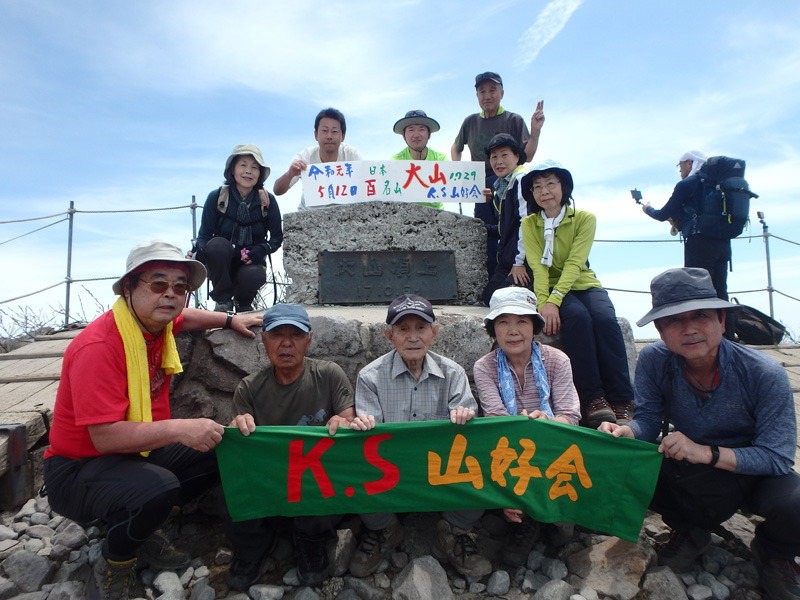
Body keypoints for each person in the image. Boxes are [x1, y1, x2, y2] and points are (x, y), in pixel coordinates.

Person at [42, 240, 263, 600]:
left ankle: (143, 521)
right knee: (158, 488)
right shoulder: (99, 347)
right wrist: (180, 428)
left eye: (181, 287)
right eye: (158, 284)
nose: (171, 295)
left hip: (135, 454)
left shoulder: (154, 324)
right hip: (78, 469)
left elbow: (185, 317)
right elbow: (105, 438)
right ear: (129, 287)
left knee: (222, 445)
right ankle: (117, 560)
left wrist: (228, 319)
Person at [599, 268, 800, 600]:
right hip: (692, 469)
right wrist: (626, 431)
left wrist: (707, 453)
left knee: (796, 503)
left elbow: (777, 456)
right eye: (674, 320)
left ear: (722, 320)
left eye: (700, 316)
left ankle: (774, 550)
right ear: (661, 330)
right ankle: (690, 529)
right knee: (623, 464)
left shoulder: (763, 374)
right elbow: (648, 420)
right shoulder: (655, 359)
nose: (689, 329)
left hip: (751, 472)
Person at [346, 294, 491, 578]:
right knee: (352, 467)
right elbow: (371, 434)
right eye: (403, 329)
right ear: (390, 336)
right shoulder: (370, 376)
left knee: (485, 468)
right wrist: (362, 424)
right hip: (391, 469)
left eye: (421, 328)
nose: (413, 337)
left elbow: (467, 418)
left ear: (434, 333)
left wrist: (464, 416)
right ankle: (385, 529)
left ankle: (451, 533)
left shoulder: (453, 373)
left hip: (441, 470)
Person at [226, 304, 355, 589]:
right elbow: (239, 445)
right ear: (264, 340)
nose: (286, 343)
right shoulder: (249, 388)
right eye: (276, 335)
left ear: (309, 339)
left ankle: (312, 540)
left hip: (317, 476)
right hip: (271, 476)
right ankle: (254, 546)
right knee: (228, 474)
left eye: (295, 335)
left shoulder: (330, 374)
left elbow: (349, 422)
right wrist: (237, 429)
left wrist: (343, 423)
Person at [519, 160, 634, 428]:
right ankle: (593, 398)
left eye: (550, 183)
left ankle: (623, 399)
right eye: (537, 186)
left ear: (564, 186)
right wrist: (545, 302)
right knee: (577, 319)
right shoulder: (530, 223)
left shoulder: (584, 218)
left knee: (605, 320)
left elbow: (574, 263)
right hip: (550, 287)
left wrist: (554, 301)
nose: (544, 191)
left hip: (583, 283)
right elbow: (537, 265)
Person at [474, 287, 581, 566]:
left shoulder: (557, 360)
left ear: (535, 327)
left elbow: (569, 415)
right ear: (493, 329)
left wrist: (546, 424)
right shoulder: (484, 367)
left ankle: (552, 514)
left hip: (552, 443)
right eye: (503, 322)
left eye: (522, 321)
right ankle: (524, 518)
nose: (513, 331)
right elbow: (496, 421)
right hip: (511, 450)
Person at [451, 72, 545, 279]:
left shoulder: (513, 119)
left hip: (510, 185)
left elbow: (527, 157)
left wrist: (535, 132)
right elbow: (455, 147)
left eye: (492, 90)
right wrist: (457, 174)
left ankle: (519, 273)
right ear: (476, 96)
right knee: (484, 234)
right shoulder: (470, 122)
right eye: (482, 91)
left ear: (502, 93)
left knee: (512, 229)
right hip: (479, 186)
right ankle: (491, 279)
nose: (487, 95)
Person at [641, 149, 736, 339]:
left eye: (680, 165)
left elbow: (661, 214)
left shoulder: (688, 184)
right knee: (720, 289)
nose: (679, 170)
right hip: (723, 243)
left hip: (699, 243)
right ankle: (728, 336)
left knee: (698, 291)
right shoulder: (716, 185)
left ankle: (703, 337)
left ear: (690, 163)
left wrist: (647, 209)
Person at [193, 144, 283, 313]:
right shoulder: (217, 197)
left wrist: (260, 250)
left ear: (260, 174)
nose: (248, 171)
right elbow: (204, 236)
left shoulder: (267, 201)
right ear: (232, 169)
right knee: (217, 245)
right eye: (243, 165)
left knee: (254, 275)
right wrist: (199, 251)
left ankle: (244, 303)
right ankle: (222, 300)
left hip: (251, 260)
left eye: (254, 167)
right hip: (222, 261)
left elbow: (277, 238)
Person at [273, 107, 362, 210]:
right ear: (316, 135)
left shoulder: (352, 155)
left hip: (345, 214)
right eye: (324, 131)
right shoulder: (304, 156)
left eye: (334, 131)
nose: (329, 136)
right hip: (309, 214)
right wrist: (290, 174)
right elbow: (277, 190)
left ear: (343, 136)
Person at [480, 133, 530, 305]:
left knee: (504, 300)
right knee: (489, 297)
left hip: (524, 262)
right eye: (494, 157)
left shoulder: (522, 180)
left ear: (517, 156)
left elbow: (526, 224)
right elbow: (506, 228)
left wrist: (519, 263)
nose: (498, 161)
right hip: (508, 259)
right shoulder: (502, 186)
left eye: (504, 155)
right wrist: (479, 227)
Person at [391, 109, 447, 209]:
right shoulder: (395, 161)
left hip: (436, 214)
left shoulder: (441, 159)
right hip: (405, 214)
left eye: (421, 129)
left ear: (429, 134)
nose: (416, 135)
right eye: (411, 130)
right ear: (403, 135)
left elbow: (458, 183)